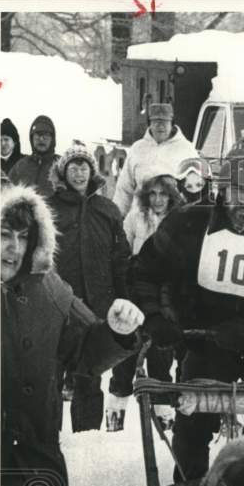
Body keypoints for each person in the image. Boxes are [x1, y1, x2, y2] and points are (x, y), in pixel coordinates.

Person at [0, 184, 143, 486]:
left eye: (23, 237)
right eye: (3, 234)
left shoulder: (51, 290)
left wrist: (117, 332)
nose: (12, 248)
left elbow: (85, 351)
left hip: (24, 445)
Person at [131, 142, 244, 478]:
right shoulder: (189, 223)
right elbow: (143, 271)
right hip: (206, 341)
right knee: (192, 424)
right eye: (236, 190)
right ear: (221, 190)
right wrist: (155, 317)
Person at [49, 141, 131, 431]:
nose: (79, 172)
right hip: (58, 306)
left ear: (92, 171)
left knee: (89, 376)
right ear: (63, 171)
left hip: (96, 307)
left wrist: (124, 298)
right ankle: (46, 440)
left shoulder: (107, 209)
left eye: (84, 166)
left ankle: (87, 439)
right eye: (73, 166)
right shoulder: (49, 208)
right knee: (50, 375)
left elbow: (120, 259)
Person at [106, 173, 185, 431]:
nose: (158, 199)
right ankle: (115, 416)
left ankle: (163, 418)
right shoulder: (135, 218)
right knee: (128, 351)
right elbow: (122, 251)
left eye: (164, 194)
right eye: (153, 193)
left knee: (161, 353)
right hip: (136, 287)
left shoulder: (179, 220)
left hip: (166, 293)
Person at [113, 102, 197, 220]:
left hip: (174, 221)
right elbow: (124, 189)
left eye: (164, 122)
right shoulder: (137, 148)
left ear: (172, 124)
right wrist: (116, 219)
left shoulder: (187, 149)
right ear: (149, 124)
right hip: (140, 219)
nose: (160, 126)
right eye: (156, 121)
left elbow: (196, 190)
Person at [9, 114, 60, 199]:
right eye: (37, 135)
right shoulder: (20, 166)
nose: (41, 139)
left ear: (52, 138)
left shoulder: (61, 165)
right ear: (31, 138)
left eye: (46, 135)